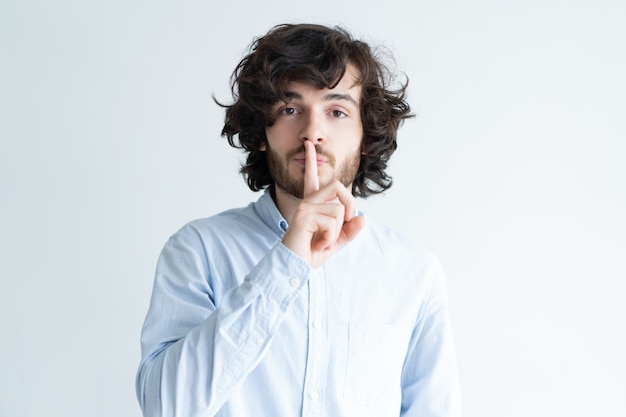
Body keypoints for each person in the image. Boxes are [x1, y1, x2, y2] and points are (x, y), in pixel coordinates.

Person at [135, 23, 461, 417]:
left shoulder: (413, 271)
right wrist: (287, 262)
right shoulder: (198, 250)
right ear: (261, 131)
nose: (313, 132)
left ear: (364, 134)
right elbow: (165, 408)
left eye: (337, 111)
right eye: (290, 110)